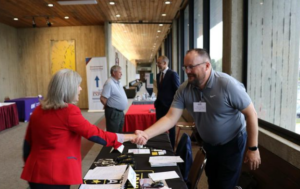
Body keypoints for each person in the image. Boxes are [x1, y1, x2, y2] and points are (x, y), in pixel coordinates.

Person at [133, 49, 261, 189]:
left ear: (206, 65)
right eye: (185, 67)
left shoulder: (227, 85)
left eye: (191, 67)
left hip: (232, 143)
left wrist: (253, 148)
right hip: (209, 144)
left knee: (225, 184)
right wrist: (146, 134)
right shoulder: (184, 89)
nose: (187, 71)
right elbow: (170, 117)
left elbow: (251, 114)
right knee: (212, 180)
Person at [21, 69, 135, 189]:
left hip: (34, 173)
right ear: (68, 89)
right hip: (55, 176)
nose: (80, 89)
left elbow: (27, 144)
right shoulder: (69, 111)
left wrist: (29, 166)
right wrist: (130, 136)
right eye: (78, 86)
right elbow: (95, 134)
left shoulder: (38, 110)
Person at [155, 55, 179, 148]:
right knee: (159, 127)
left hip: (169, 107)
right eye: (157, 63)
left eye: (159, 63)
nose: (157, 65)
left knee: (171, 129)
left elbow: (177, 91)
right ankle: (161, 146)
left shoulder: (172, 74)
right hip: (159, 106)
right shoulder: (158, 75)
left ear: (165, 63)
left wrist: (174, 106)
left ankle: (171, 148)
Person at [100, 65, 128, 133]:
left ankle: (118, 144)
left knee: (119, 132)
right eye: (119, 72)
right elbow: (103, 98)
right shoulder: (109, 83)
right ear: (113, 73)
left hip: (120, 112)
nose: (122, 74)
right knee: (113, 133)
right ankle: (111, 144)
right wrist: (110, 106)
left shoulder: (118, 82)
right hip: (113, 112)